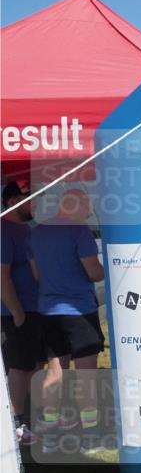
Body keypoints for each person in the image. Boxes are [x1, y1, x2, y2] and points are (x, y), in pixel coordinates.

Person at [31, 189, 105, 453]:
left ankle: (50, 434)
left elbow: (36, 273)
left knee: (55, 373)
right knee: (86, 376)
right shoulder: (79, 231)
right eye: (87, 203)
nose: (89, 208)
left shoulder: (38, 231)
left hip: (48, 310)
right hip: (79, 311)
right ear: (75, 205)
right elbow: (94, 272)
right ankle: (91, 436)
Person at [1, 182, 43, 445]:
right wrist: (16, 311)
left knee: (34, 364)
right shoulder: (4, 231)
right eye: (31, 199)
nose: (35, 204)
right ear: (13, 200)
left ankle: (29, 419)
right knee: (19, 366)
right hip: (15, 311)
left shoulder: (24, 230)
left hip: (34, 308)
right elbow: (2, 276)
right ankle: (16, 424)